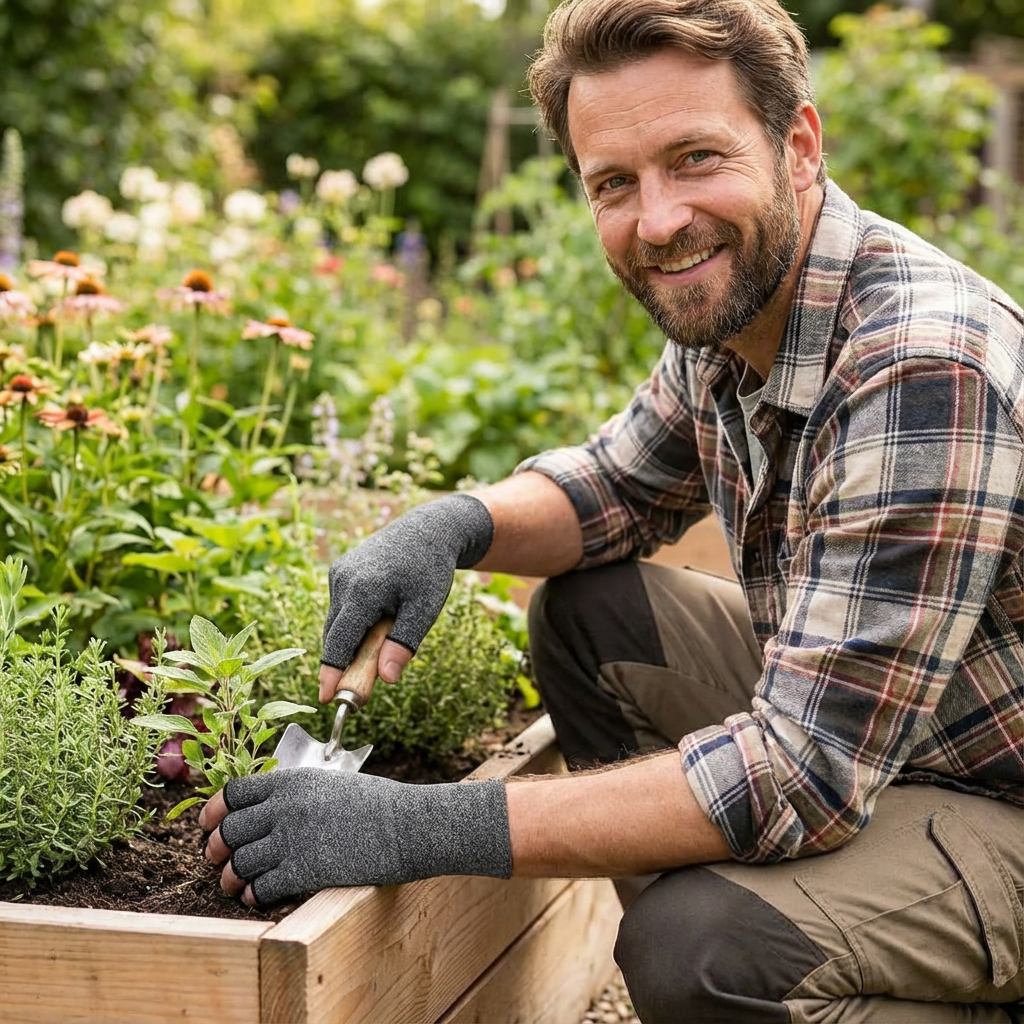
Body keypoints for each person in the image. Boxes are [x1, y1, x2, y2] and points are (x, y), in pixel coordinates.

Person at [201, 0, 1024, 1019]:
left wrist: (424, 825)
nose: (659, 219)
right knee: (594, 615)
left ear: (796, 144)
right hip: (906, 745)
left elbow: (799, 772)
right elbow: (613, 487)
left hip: (1001, 801)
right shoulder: (741, 303)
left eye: (694, 159)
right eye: (614, 185)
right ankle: (798, 935)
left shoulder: (916, 366)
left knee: (701, 947)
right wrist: (451, 525)